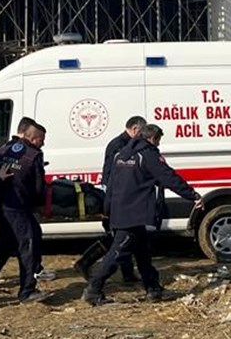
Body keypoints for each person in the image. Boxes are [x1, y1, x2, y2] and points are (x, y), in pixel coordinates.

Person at [83, 124, 201, 306]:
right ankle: (94, 289)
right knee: (117, 253)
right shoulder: (147, 154)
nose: (158, 145)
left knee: (143, 252)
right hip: (133, 213)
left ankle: (153, 289)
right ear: (152, 138)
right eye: (158, 141)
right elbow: (168, 177)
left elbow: (111, 184)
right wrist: (192, 195)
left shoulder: (121, 154)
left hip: (121, 211)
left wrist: (107, 210)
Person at [0, 120, 50, 305]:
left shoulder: (4, 149)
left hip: (2, 205)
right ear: (33, 138)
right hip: (18, 206)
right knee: (28, 243)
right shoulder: (34, 155)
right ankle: (27, 290)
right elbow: (38, 188)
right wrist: (40, 206)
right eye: (41, 140)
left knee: (6, 243)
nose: (43, 143)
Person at [74, 115, 146, 281]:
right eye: (142, 132)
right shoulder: (120, 145)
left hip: (117, 196)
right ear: (135, 129)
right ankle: (86, 263)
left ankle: (128, 274)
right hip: (115, 197)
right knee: (118, 236)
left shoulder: (122, 143)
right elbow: (115, 175)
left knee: (125, 236)